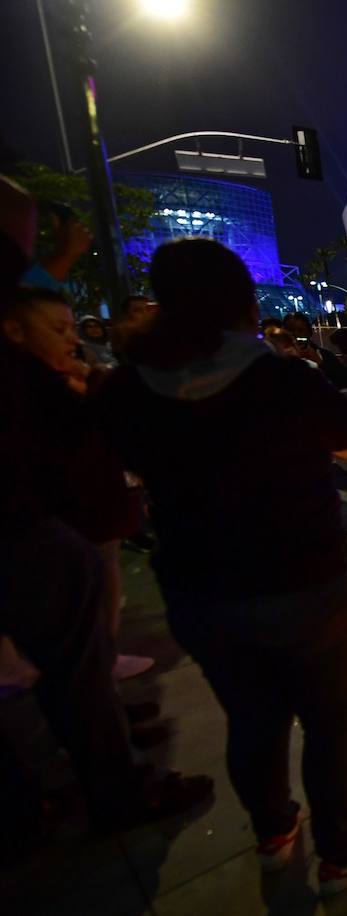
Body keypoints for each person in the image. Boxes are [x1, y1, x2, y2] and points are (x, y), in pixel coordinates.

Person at [98, 238, 347, 893]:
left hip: (200, 589)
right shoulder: (278, 376)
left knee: (251, 719)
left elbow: (111, 465)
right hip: (303, 582)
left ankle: (274, 833)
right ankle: (341, 854)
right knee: (327, 720)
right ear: (243, 303)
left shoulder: (127, 387)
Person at [0, 177, 211, 839]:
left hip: (44, 522)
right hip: (21, 529)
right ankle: (113, 786)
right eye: (58, 329)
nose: (73, 339)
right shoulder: (28, 379)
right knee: (73, 657)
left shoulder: (40, 373)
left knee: (80, 654)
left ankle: (97, 746)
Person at [3, 287, 152, 680]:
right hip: (70, 515)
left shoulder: (59, 382)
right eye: (59, 329)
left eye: (71, 328)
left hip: (94, 510)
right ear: (14, 332)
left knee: (98, 583)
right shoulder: (31, 392)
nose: (72, 340)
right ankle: (95, 689)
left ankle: (102, 676)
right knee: (75, 614)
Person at [284, 311, 347, 388]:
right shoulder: (279, 359)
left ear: (309, 332)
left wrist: (320, 363)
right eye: (290, 331)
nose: (295, 335)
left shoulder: (326, 356)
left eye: (301, 330)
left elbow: (342, 384)